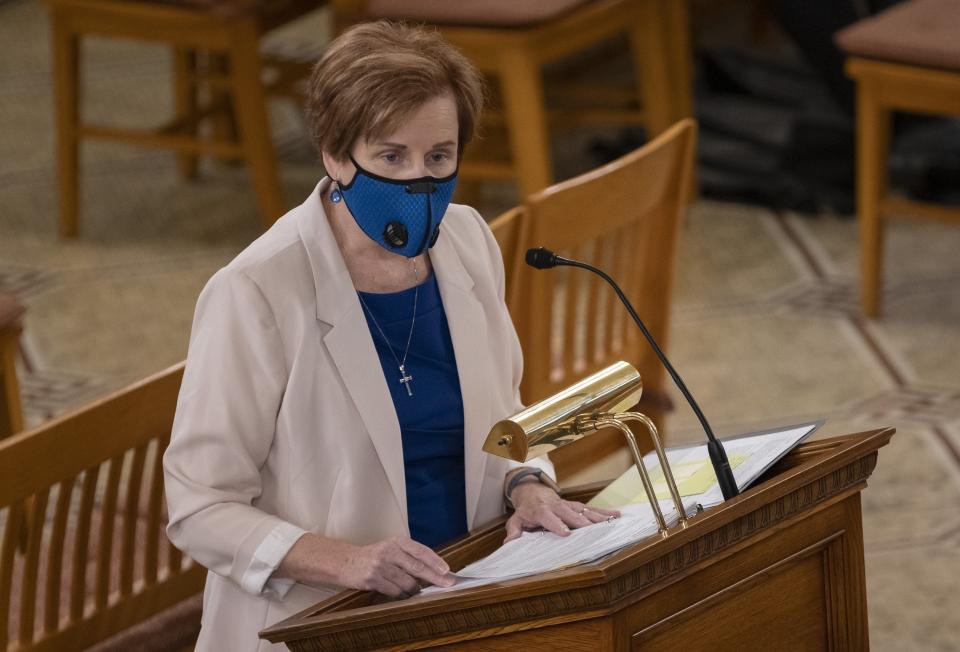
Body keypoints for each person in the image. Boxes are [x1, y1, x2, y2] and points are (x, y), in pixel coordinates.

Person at [163, 20, 618, 652]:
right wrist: (346, 561)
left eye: (439, 157)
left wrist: (529, 484)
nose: (417, 183)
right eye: (390, 157)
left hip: (468, 594)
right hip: (325, 620)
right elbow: (199, 507)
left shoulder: (466, 241)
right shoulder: (258, 291)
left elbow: (512, 415)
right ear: (333, 156)